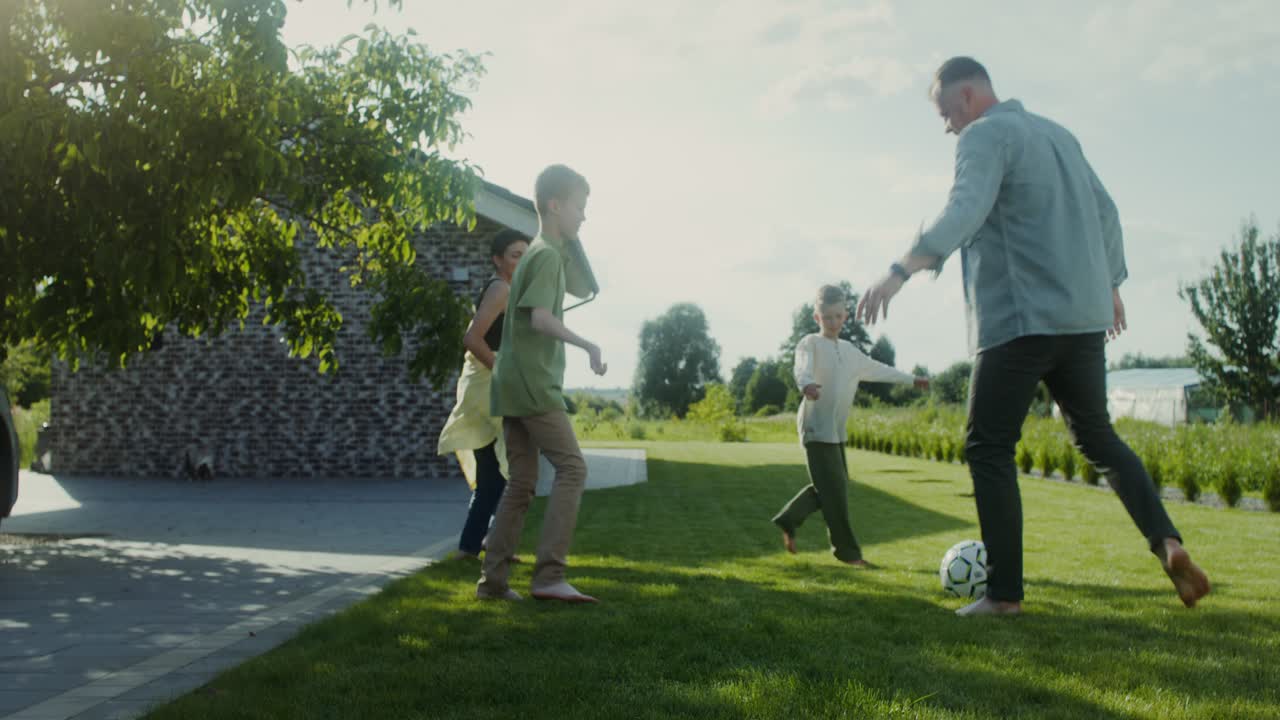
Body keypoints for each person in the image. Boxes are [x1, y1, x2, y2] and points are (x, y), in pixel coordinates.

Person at [856, 57, 1210, 616]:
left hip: (1020, 321)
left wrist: (897, 271)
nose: (947, 126)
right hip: (1083, 321)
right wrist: (1112, 285)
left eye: (947, 113)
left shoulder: (983, 137)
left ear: (968, 97)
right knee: (1098, 438)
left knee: (987, 446)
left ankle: (1003, 596)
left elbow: (963, 210)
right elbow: (1108, 213)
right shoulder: (1058, 135)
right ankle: (1167, 542)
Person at [476, 164, 607, 603]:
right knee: (573, 468)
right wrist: (588, 344)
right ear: (556, 205)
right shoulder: (548, 254)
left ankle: (493, 582)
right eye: (580, 207)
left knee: (522, 481)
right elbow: (541, 318)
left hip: (510, 382)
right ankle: (550, 575)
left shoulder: (533, 251)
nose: (583, 217)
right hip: (533, 382)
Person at [773, 284, 929, 567]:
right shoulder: (810, 343)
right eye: (827, 317)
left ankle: (788, 520)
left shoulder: (850, 351)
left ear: (845, 315)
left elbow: (880, 369)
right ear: (816, 318)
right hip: (815, 427)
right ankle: (849, 555)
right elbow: (801, 366)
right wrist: (806, 384)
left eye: (837, 316)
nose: (833, 322)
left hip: (836, 431)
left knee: (833, 488)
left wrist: (911, 379)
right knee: (836, 495)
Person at [437, 229, 530, 560]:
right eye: (515, 255)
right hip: (488, 387)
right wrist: (503, 370)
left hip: (490, 385)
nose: (522, 261)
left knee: (497, 472)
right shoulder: (501, 289)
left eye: (525, 254)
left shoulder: (506, 288)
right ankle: (474, 545)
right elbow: (472, 339)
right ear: (498, 259)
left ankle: (486, 543)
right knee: (506, 470)